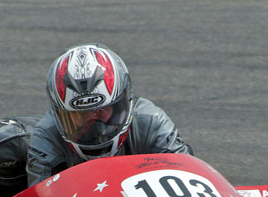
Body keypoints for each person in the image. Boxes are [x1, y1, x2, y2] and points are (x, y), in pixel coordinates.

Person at [27, 43, 193, 185]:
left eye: (101, 111)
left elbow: (187, 183)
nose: (95, 128)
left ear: (124, 102)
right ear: (59, 117)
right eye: (81, 116)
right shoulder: (47, 137)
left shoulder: (151, 123)